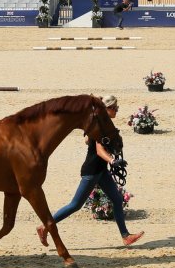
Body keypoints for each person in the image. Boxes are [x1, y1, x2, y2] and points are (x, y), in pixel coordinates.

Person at [38, 95, 143, 248]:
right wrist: (113, 161)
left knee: (117, 200)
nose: (117, 111)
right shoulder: (99, 126)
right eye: (115, 108)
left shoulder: (103, 125)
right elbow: (99, 150)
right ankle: (44, 226)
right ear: (107, 109)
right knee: (75, 205)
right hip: (92, 171)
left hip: (101, 170)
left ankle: (125, 236)